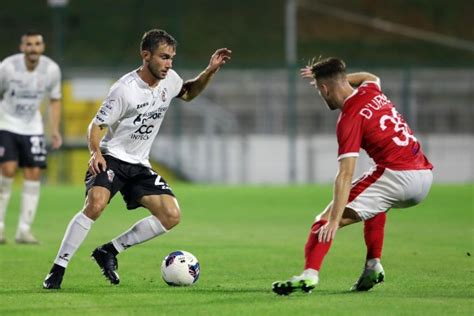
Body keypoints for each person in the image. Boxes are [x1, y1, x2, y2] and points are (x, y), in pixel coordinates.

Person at [43, 29, 231, 289]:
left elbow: (187, 93)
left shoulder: (170, 80)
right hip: (112, 158)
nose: (168, 64)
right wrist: (95, 153)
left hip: (139, 163)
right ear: (146, 55)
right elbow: (95, 127)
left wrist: (209, 71)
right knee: (95, 205)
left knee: (171, 215)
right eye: (164, 57)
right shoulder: (124, 90)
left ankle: (109, 250)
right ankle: (58, 269)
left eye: (172, 58)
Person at [272, 57, 433, 295]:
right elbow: (370, 75)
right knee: (377, 203)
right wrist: (334, 78)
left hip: (396, 176)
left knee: (322, 221)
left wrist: (334, 220)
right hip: (424, 175)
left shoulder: (349, 118)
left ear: (325, 89)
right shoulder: (371, 90)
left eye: (319, 90)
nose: (320, 94)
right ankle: (372, 266)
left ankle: (309, 275)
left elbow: (345, 173)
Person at [0, 30, 62, 244]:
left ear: (42, 47)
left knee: (34, 173)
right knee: (7, 170)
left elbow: (55, 100)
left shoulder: (51, 69)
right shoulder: (7, 67)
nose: (33, 48)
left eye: (37, 44)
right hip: (6, 123)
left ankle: (23, 230)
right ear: (22, 47)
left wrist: (54, 129)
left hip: (33, 127)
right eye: (29, 44)